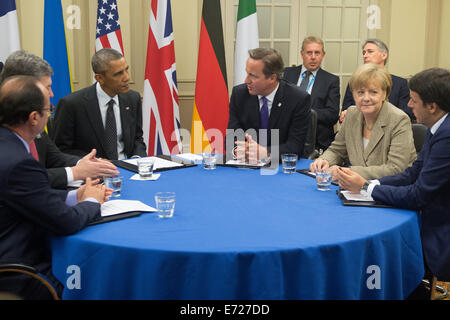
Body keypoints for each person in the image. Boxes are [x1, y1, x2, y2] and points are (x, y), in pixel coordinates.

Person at [335, 68, 450, 283]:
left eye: (414, 100)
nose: (408, 104)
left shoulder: (447, 137)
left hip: (439, 231)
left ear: (432, 106)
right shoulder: (438, 128)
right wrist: (368, 183)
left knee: (386, 264)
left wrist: (366, 188)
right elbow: (412, 173)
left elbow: (417, 195)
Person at [0, 75, 109, 299]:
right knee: (98, 279)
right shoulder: (20, 162)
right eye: (48, 109)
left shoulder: (8, 146)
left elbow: (27, 196)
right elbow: (66, 223)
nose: (50, 113)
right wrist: (91, 201)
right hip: (19, 273)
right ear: (33, 117)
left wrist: (74, 195)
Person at [0, 50, 119, 189]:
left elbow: (55, 157)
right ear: (21, 87)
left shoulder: (31, 120)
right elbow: (24, 178)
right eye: (46, 88)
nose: (51, 94)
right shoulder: (10, 126)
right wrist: (75, 172)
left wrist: (88, 163)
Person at [310, 63, 416, 180]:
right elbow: (337, 150)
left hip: (387, 190)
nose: (366, 98)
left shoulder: (399, 119)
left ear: (384, 94)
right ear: (354, 94)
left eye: (373, 92)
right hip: (354, 188)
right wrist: (324, 160)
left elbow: (396, 169)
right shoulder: (351, 113)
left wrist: (347, 171)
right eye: (360, 92)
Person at [53, 48, 147, 160]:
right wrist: (97, 161)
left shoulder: (132, 99)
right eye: (118, 74)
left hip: (128, 169)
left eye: (126, 70)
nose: (127, 78)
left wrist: (137, 159)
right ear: (100, 78)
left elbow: (137, 138)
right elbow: (61, 150)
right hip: (92, 173)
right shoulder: (72, 104)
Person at [226, 48, 311, 162]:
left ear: (272, 78)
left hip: (281, 169)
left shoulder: (298, 99)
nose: (246, 80)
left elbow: (295, 147)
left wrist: (266, 152)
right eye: (247, 73)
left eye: (253, 76)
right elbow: (232, 137)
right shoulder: (240, 94)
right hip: (246, 166)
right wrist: (238, 150)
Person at [283, 36, 340, 152]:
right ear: (302, 54)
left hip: (316, 141)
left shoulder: (331, 80)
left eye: (317, 53)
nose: (313, 57)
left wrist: (304, 112)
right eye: (309, 53)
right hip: (286, 137)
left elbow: (332, 114)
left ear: (323, 55)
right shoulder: (287, 74)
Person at [340, 39, 413, 122]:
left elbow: (406, 114)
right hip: (359, 127)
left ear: (384, 55)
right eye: (364, 53)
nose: (365, 56)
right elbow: (346, 111)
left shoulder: (400, 83)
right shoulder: (354, 82)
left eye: (370, 52)